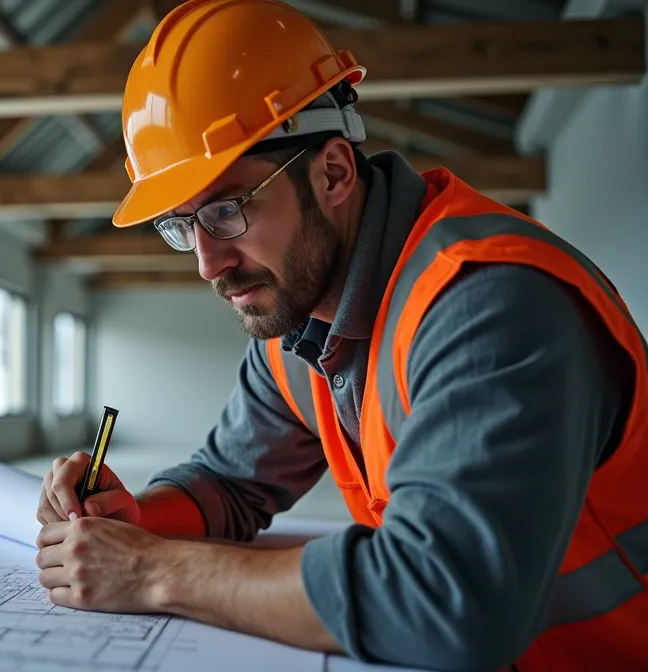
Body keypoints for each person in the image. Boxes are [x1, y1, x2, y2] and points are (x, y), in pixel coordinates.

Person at [33, 1, 648, 670]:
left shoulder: (488, 306)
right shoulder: (295, 323)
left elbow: (446, 601)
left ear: (332, 172)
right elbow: (231, 482)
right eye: (183, 225)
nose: (208, 263)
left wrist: (154, 572)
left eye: (228, 210)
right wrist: (136, 520)